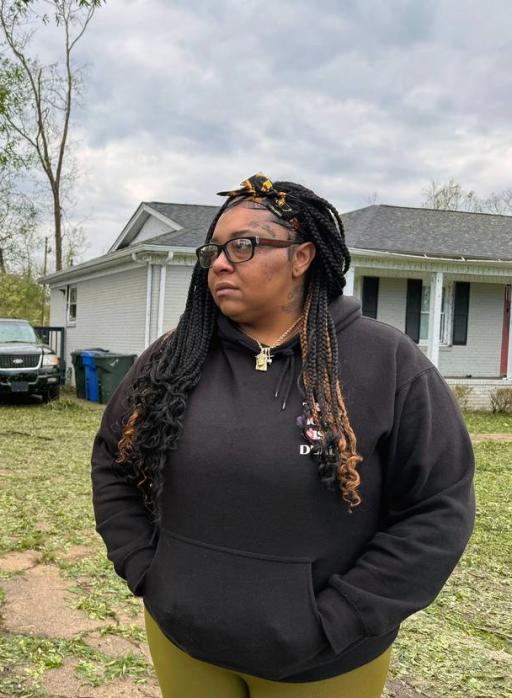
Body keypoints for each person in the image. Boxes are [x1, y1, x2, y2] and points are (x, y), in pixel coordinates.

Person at [91, 173, 476, 697]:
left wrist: (342, 617)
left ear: (302, 257)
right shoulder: (172, 358)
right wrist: (147, 571)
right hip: (184, 640)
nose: (221, 263)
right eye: (214, 251)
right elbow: (114, 459)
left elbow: (439, 507)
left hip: (324, 659)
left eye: (243, 246)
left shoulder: (385, 363)